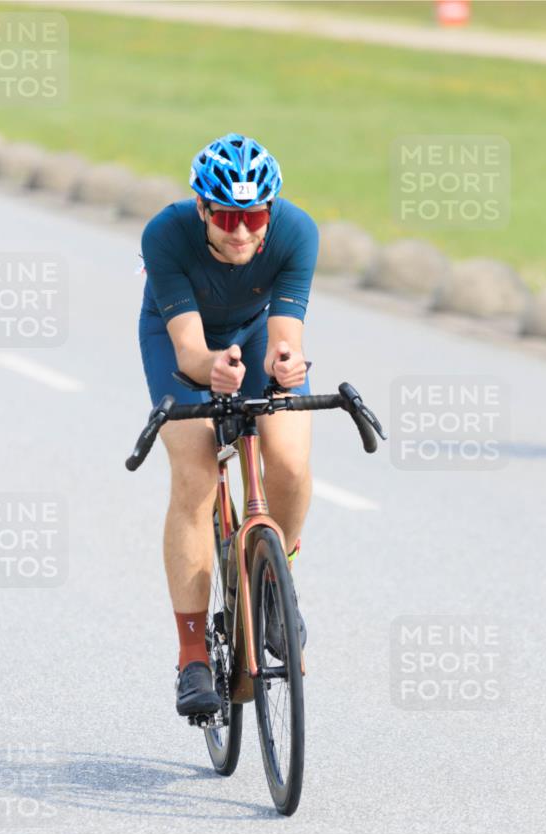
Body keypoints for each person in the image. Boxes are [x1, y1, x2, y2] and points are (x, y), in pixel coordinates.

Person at [138, 132, 319, 717]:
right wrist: (210, 369)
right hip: (180, 344)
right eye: (225, 217)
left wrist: (285, 364)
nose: (241, 231)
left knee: (288, 460)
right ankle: (193, 654)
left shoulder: (296, 233)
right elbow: (190, 349)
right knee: (194, 474)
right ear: (202, 209)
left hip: (255, 332)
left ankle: (271, 585)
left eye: (254, 216)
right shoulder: (165, 234)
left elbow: (288, 336)